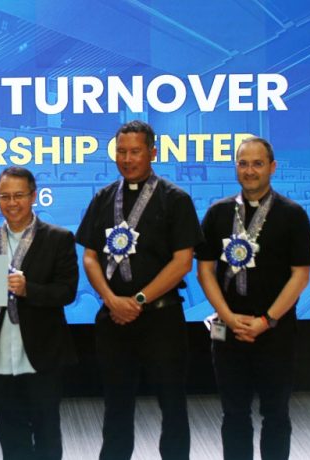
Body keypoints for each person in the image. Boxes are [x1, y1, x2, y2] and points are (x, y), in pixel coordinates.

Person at [76, 120, 202, 460]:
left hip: (162, 319)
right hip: (113, 320)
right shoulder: (103, 198)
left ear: (152, 153)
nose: (127, 159)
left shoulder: (175, 199)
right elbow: (89, 257)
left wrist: (139, 301)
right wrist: (112, 300)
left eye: (135, 152)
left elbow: (182, 262)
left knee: (172, 404)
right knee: (116, 405)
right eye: (121, 152)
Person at [195, 137, 310, 460]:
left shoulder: (293, 215)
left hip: (274, 330)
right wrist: (229, 317)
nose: (250, 171)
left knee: (276, 415)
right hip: (227, 330)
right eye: (243, 163)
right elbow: (204, 272)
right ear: (235, 167)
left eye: (257, 163)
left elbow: (301, 276)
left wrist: (266, 321)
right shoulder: (217, 213)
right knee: (234, 415)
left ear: (272, 168)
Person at [0, 166, 78, 460]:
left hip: (42, 354)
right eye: (4, 196)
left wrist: (28, 289)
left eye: (18, 195)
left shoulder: (58, 238)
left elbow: (66, 292)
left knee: (46, 432)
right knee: (10, 433)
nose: (11, 202)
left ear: (34, 196)